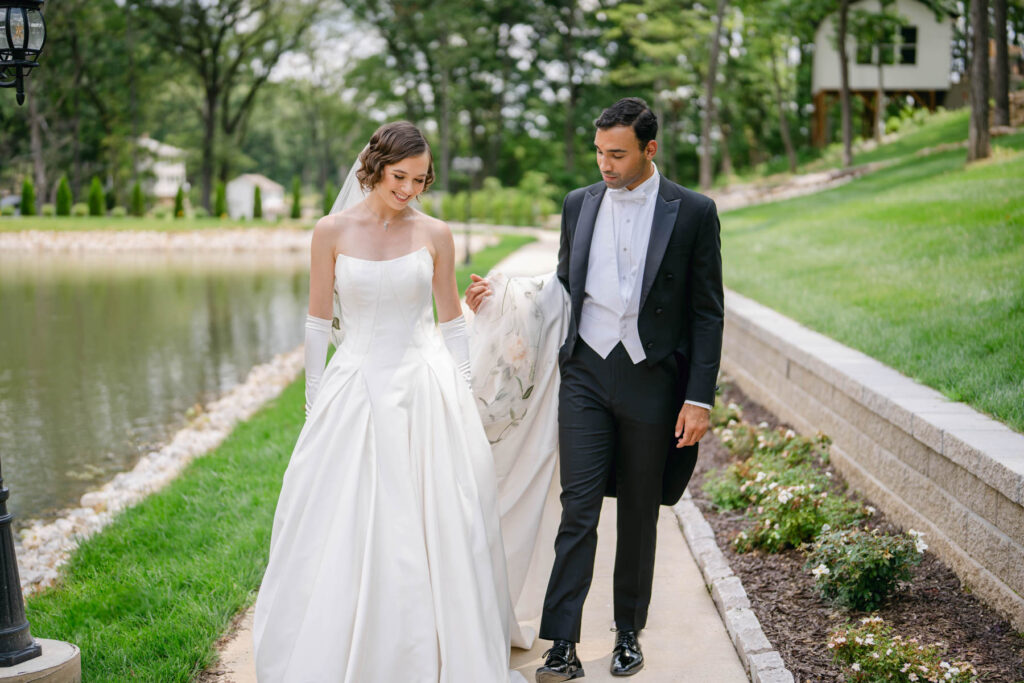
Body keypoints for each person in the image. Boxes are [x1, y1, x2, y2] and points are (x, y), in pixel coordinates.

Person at [252, 121, 524, 682]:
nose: (409, 190)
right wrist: (313, 397)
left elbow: (450, 321)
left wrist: (465, 388)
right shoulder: (330, 231)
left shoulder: (436, 233)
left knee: (436, 516)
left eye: (420, 180)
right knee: (341, 513)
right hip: (355, 381)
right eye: (400, 177)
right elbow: (316, 320)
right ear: (375, 168)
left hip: (424, 384)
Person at [467, 97, 724, 680]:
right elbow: (562, 284)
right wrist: (501, 297)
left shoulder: (693, 212)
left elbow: (708, 311)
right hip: (584, 372)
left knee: (638, 508)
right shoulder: (578, 204)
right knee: (577, 507)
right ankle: (563, 642)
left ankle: (628, 633)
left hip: (653, 378)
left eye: (618, 154)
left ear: (649, 149)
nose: (605, 165)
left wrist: (699, 397)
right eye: (600, 153)